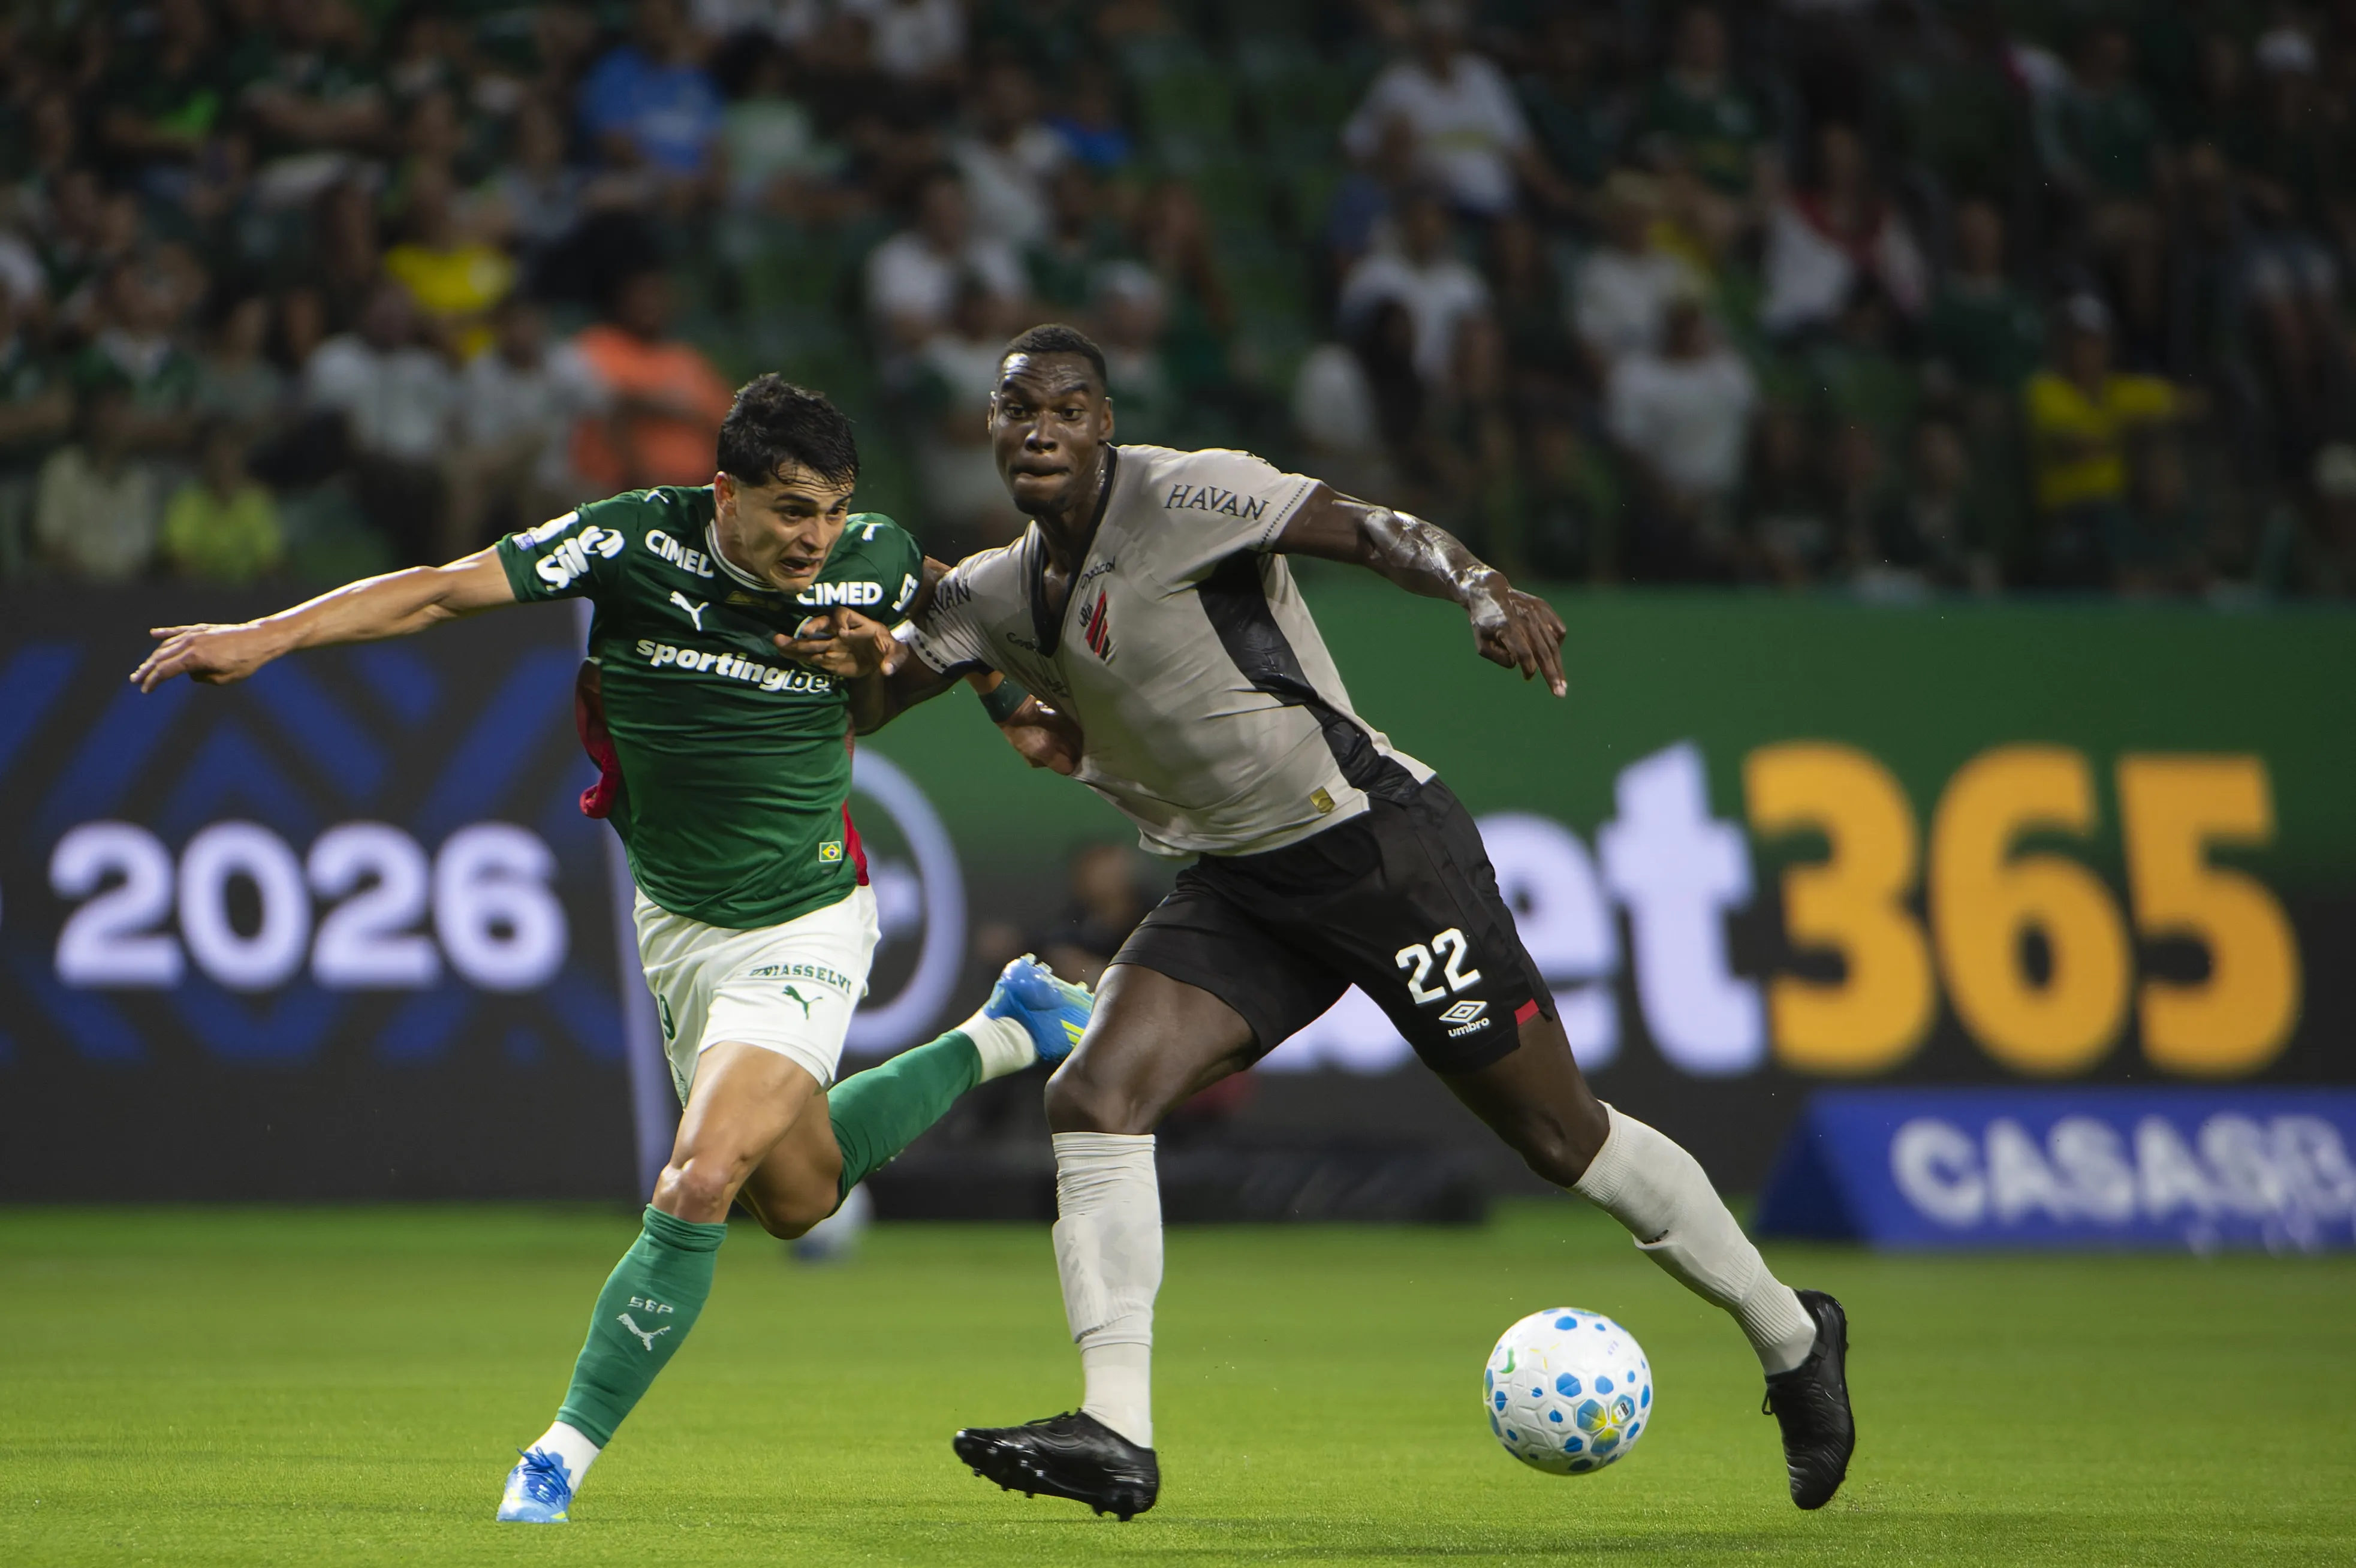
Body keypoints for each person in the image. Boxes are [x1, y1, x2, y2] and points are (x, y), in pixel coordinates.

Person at [826, 323, 1856, 1521]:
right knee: (1094, 1096)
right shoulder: (991, 591)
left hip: (1375, 851)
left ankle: (1794, 1338)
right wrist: (853, 651)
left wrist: (1482, 587)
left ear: (1106, 423)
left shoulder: (1191, 492)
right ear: (991, 433)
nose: (1038, 428)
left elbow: (1371, 528)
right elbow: (876, 701)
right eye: (1015, 411)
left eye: (1064, 407)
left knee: (1560, 1136)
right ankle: (1117, 1430)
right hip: (1237, 885)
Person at [127, 374, 1098, 1527]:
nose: (816, 538)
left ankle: (558, 1455)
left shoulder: (875, 559)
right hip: (679, 925)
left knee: (695, 1178)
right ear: (725, 492)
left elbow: (962, 610)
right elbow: (441, 595)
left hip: (806, 916)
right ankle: (1007, 1031)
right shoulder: (631, 541)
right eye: (792, 510)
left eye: (832, 511)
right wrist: (268, 635)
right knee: (794, 1197)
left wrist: (1001, 702)